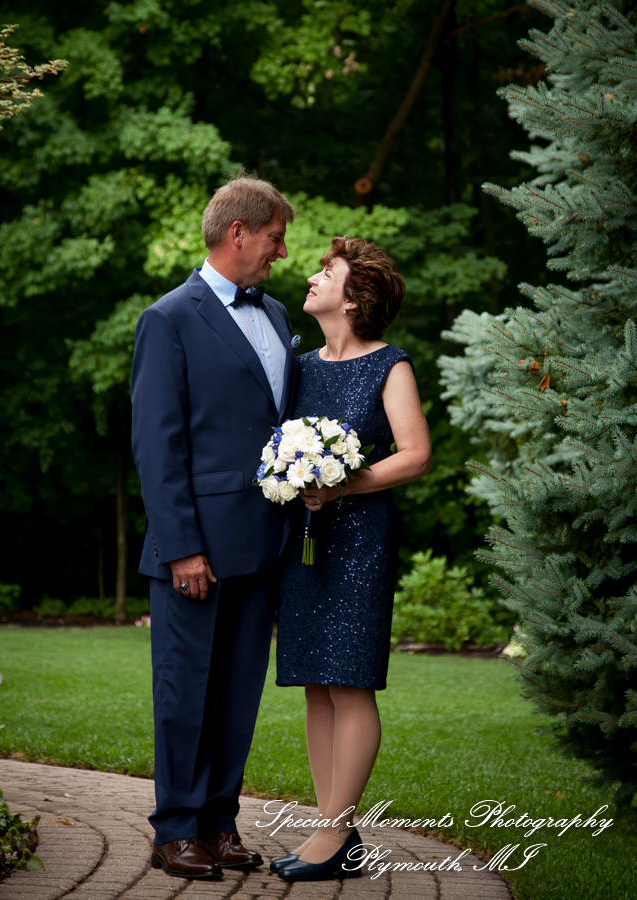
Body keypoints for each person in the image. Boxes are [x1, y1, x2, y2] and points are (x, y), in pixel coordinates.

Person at [131, 173, 298, 880]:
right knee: (184, 689)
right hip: (195, 546)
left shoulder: (280, 315)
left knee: (236, 690)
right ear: (238, 234)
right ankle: (175, 830)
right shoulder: (167, 318)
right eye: (274, 239)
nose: (280, 255)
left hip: (265, 540)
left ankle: (219, 822)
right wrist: (183, 547)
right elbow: (156, 442)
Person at [271, 236, 431, 882]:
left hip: (359, 538)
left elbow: (414, 453)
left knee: (349, 679)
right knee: (314, 677)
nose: (311, 277)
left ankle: (335, 835)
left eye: (325, 272)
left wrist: (344, 483)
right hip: (305, 540)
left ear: (354, 296)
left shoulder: (389, 365)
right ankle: (329, 830)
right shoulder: (300, 364)